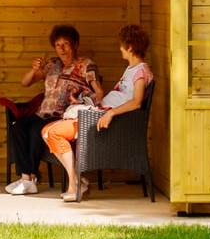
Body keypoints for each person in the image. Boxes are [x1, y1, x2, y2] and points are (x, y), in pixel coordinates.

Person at [42, 24, 152, 202]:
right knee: (46, 130)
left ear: (130, 47)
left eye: (122, 45)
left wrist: (111, 113)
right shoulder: (132, 69)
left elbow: (137, 102)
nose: (120, 48)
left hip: (104, 121)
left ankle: (74, 184)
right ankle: (78, 181)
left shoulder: (141, 71)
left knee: (52, 132)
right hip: (98, 114)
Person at [4, 24, 100, 195]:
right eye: (57, 45)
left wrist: (82, 101)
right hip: (42, 113)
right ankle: (27, 178)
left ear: (75, 44)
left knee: (35, 130)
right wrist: (34, 70)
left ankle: (30, 178)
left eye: (66, 44)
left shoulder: (85, 65)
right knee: (18, 126)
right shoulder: (52, 65)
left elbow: (99, 93)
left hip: (63, 116)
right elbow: (25, 82)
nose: (61, 49)